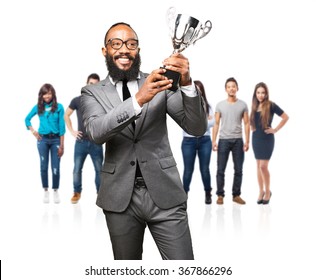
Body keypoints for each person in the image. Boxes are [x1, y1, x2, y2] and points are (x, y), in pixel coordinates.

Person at [80, 22, 207, 260]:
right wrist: (138, 99)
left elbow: (196, 127)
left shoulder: (159, 81)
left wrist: (187, 83)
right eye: (116, 44)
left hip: (165, 194)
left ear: (138, 49)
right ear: (105, 50)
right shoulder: (92, 92)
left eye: (131, 43)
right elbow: (96, 132)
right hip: (119, 198)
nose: (124, 49)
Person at [64, 73, 104, 204]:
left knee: (99, 170)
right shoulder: (77, 100)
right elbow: (66, 115)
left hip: (96, 141)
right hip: (80, 142)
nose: (93, 86)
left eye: (96, 84)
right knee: (77, 169)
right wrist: (72, 131)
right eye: (91, 84)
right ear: (86, 84)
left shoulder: (101, 100)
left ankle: (100, 194)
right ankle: (76, 193)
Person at [25, 83, 65, 203]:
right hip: (42, 140)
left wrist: (62, 146)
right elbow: (27, 119)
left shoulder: (59, 107)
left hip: (56, 140)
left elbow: (62, 127)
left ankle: (55, 190)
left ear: (52, 94)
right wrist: (33, 132)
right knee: (43, 166)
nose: (47, 96)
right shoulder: (38, 107)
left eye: (49, 93)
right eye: (44, 94)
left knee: (55, 167)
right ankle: (46, 190)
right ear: (41, 95)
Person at [250, 82, 289, 204]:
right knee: (258, 166)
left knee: (263, 166)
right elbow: (253, 121)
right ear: (255, 94)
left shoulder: (271, 105)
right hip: (256, 138)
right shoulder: (254, 106)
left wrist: (275, 129)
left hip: (267, 139)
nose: (260, 95)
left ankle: (268, 191)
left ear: (266, 93)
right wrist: (252, 127)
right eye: (258, 92)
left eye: (263, 92)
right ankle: (260, 191)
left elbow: (285, 117)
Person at [212, 77, 250, 205]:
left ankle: (236, 195)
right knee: (220, 169)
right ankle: (220, 195)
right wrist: (214, 141)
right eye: (229, 86)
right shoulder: (220, 105)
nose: (231, 88)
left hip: (238, 141)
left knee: (238, 170)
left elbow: (247, 123)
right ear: (225, 89)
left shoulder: (243, 105)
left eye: (233, 86)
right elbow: (216, 124)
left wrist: (247, 141)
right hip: (223, 140)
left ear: (237, 88)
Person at [181, 80, 215, 204]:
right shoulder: (184, 104)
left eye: (200, 89)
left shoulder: (208, 106)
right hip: (188, 141)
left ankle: (208, 193)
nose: (198, 91)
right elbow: (185, 124)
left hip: (204, 140)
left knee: (205, 169)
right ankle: (184, 195)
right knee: (188, 170)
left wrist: (197, 122)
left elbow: (213, 123)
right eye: (196, 88)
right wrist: (204, 120)